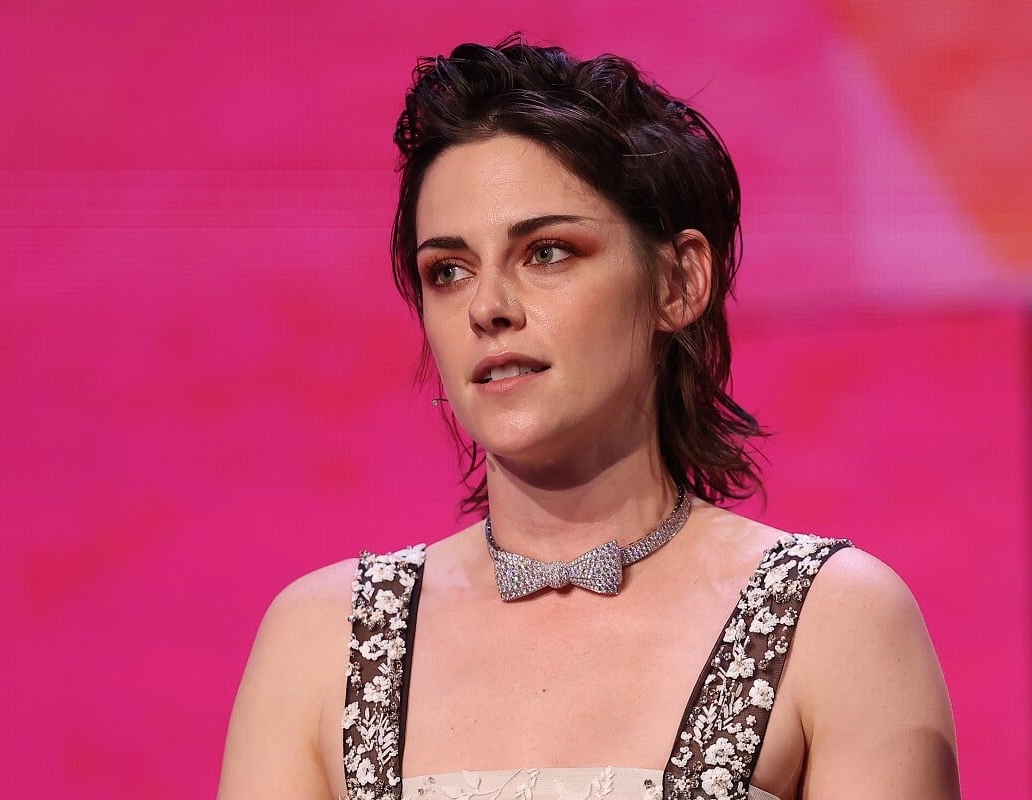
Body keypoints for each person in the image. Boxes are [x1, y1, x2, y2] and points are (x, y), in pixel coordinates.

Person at [218, 36, 960, 800]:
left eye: (546, 253)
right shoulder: (324, 643)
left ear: (678, 282)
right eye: (449, 270)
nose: (487, 308)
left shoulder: (836, 624)